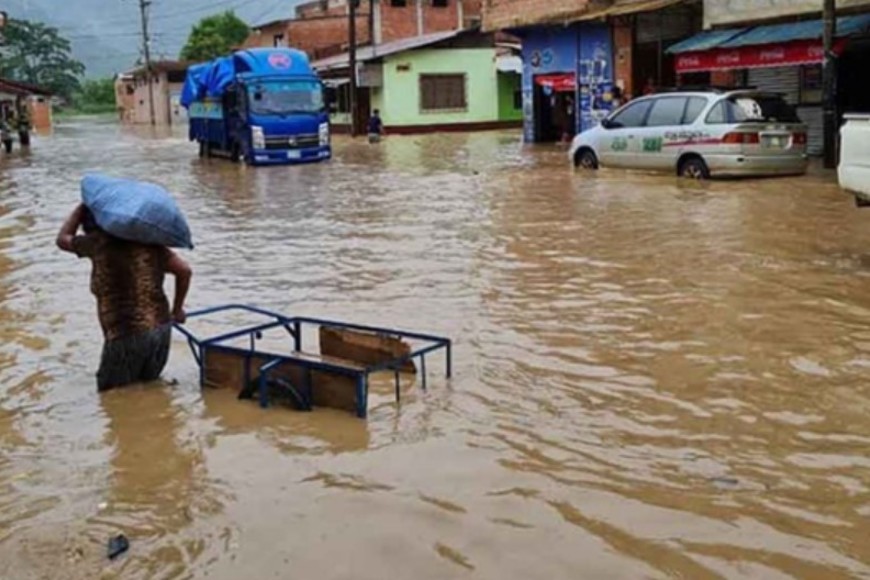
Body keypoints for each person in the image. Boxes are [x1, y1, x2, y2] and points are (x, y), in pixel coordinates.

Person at [56, 203, 192, 392]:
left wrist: (80, 209)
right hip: (161, 331)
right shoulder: (150, 243)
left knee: (112, 398)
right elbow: (184, 271)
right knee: (149, 390)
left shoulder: (97, 243)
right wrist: (177, 310)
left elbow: (62, 240)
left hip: (126, 335)